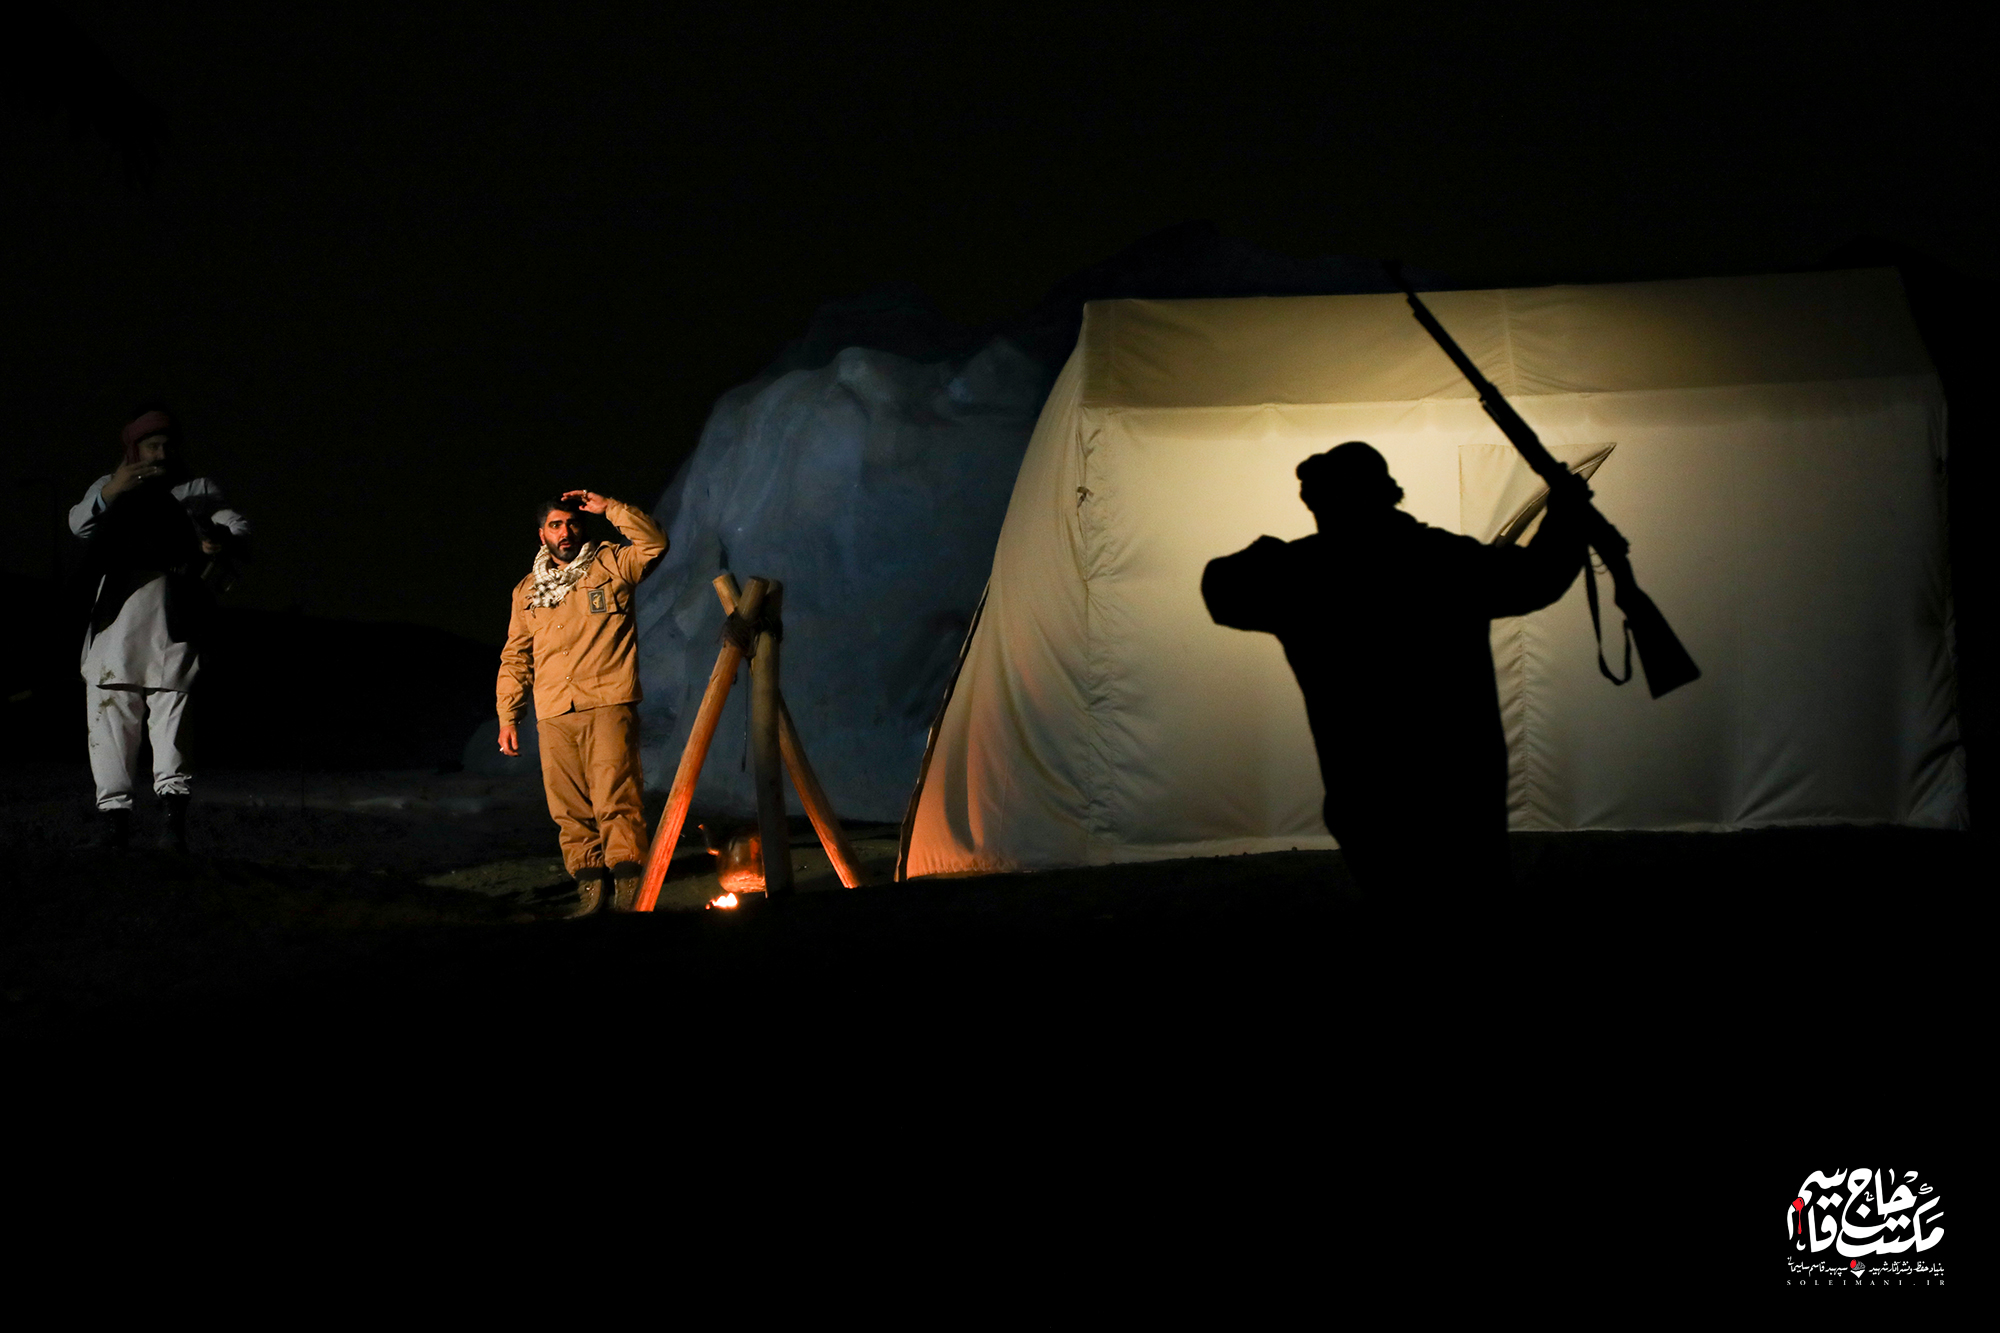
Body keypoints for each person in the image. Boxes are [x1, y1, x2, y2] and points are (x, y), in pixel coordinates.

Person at [1201, 441, 1584, 911]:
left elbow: (1219, 588)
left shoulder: (1298, 573)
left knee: (1399, 909)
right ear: (1387, 494)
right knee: (1477, 911)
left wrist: (1270, 553)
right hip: (1461, 790)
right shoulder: (1443, 559)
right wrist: (1566, 515)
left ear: (1318, 501)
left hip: (1366, 794)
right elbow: (1540, 577)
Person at [69, 408, 250, 850]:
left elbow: (236, 526)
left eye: (167, 445)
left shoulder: (196, 489)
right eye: (152, 446)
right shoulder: (110, 486)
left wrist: (213, 535)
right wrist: (115, 488)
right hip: (117, 616)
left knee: (173, 720)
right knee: (110, 719)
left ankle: (172, 826)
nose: (161, 453)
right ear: (134, 449)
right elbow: (79, 524)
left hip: (174, 615)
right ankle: (115, 825)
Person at [497, 489, 668, 917]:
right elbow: (516, 656)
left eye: (572, 523)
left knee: (616, 797)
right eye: (555, 525)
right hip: (554, 711)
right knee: (568, 808)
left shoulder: (611, 564)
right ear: (542, 535)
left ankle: (630, 891)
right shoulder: (528, 591)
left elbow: (654, 545)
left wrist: (610, 508)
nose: (565, 531)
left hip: (607, 701)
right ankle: (591, 893)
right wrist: (508, 716)